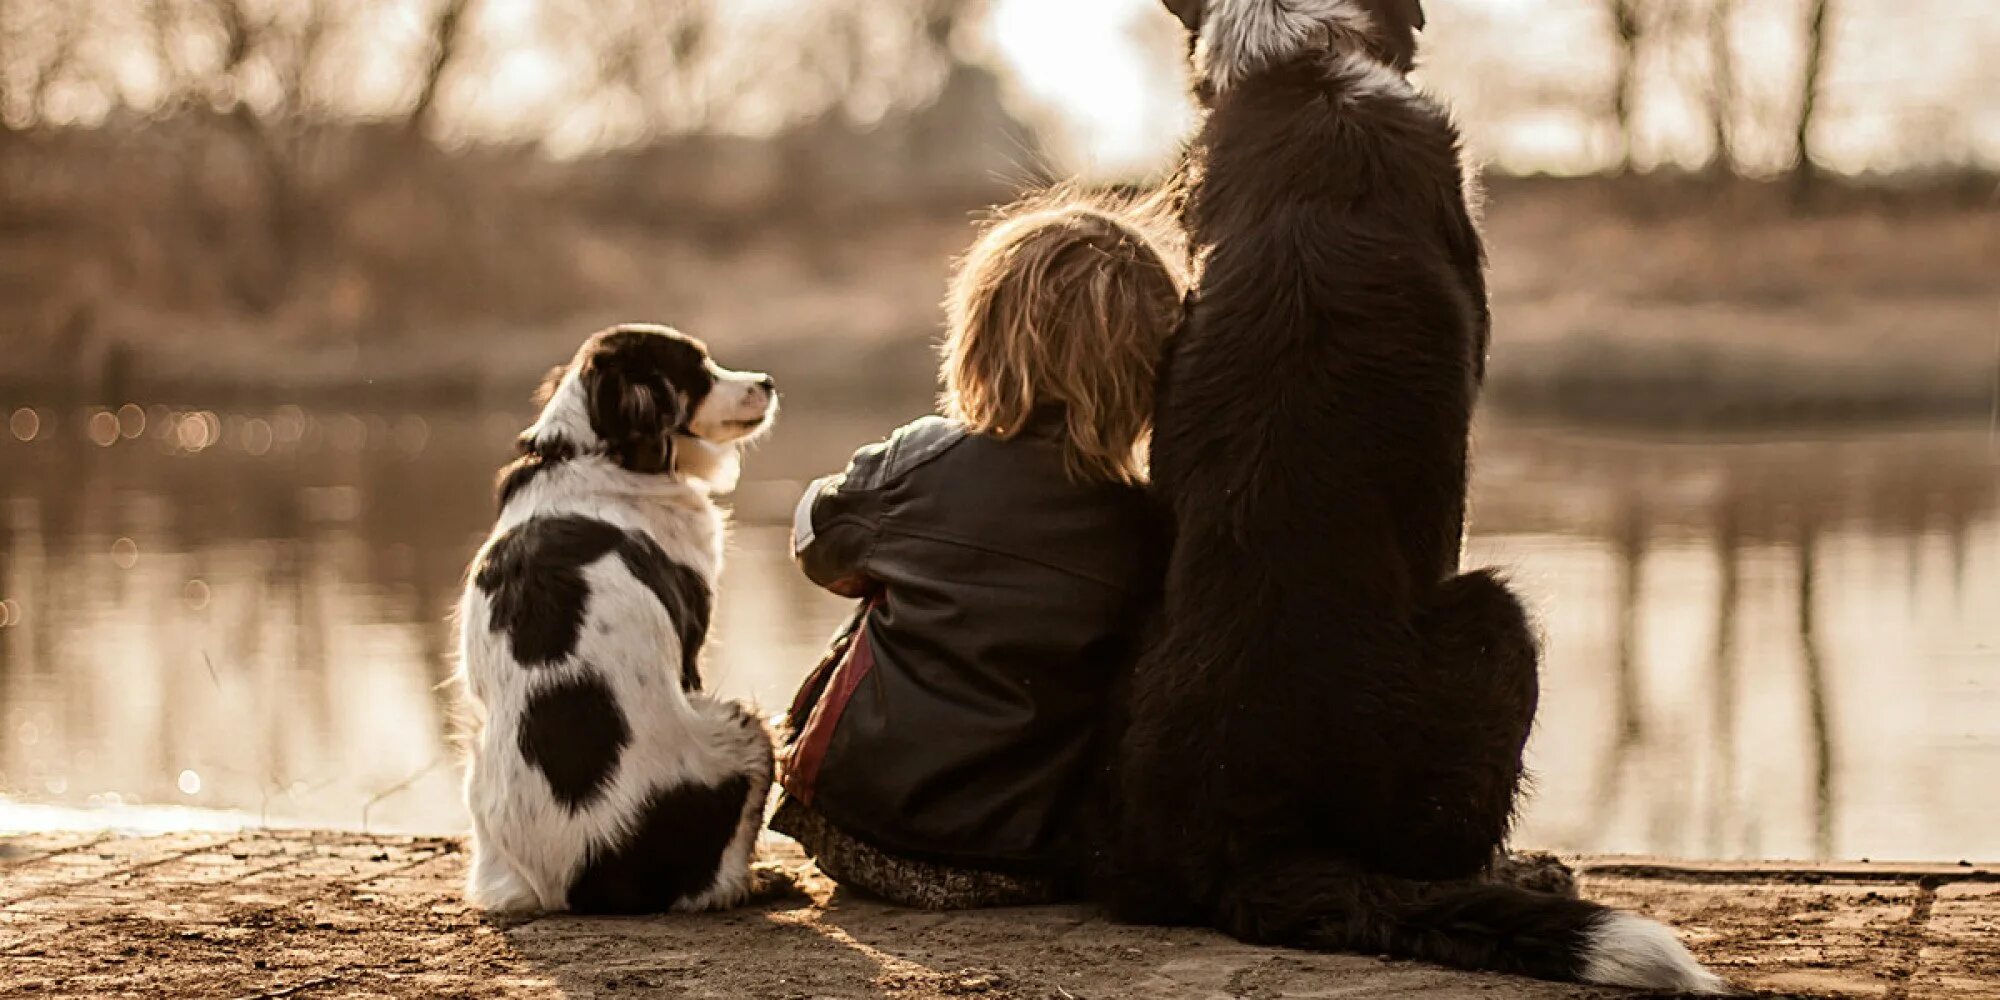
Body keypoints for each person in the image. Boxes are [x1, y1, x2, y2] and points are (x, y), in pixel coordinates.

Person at [771, 198, 1182, 909]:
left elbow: (814, 543)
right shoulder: (1149, 525)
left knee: (884, 588)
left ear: (981, 338)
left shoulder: (924, 461)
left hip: (860, 832)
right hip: (1032, 860)